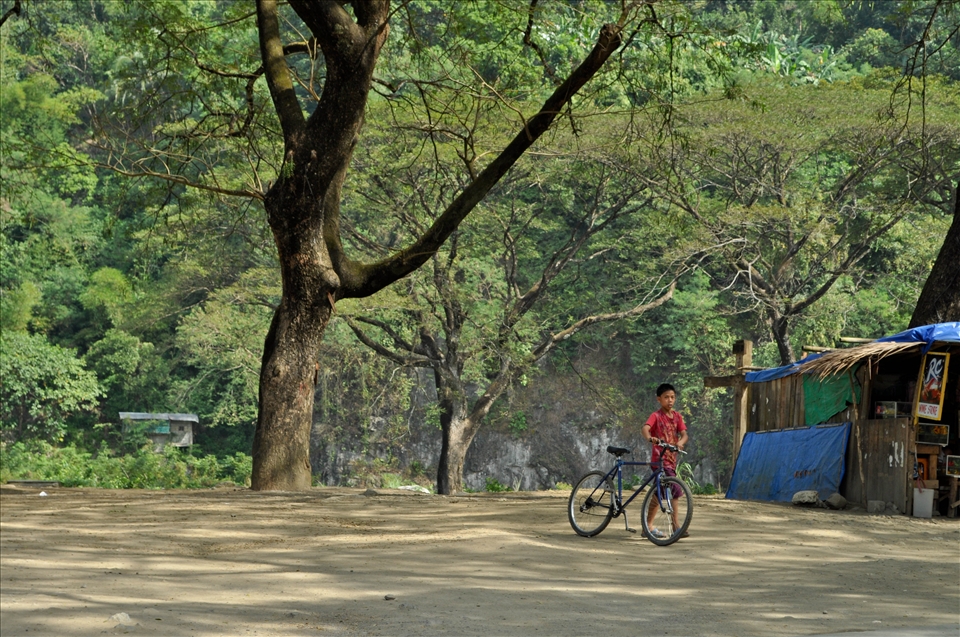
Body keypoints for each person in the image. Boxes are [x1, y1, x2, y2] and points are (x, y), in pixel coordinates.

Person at [641, 383, 689, 539]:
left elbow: (684, 434)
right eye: (666, 397)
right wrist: (650, 438)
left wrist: (681, 442)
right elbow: (646, 428)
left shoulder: (677, 416)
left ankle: (647, 526)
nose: (670, 400)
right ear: (659, 399)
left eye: (673, 397)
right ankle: (675, 527)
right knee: (674, 490)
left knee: (659, 493)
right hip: (659, 460)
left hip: (671, 460)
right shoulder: (656, 416)